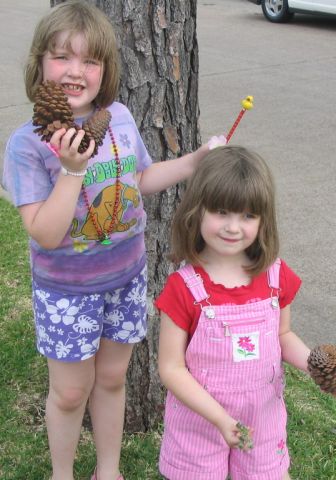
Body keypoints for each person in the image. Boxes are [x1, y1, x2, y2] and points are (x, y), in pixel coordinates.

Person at [1, 2, 212, 480]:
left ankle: (109, 471)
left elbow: (139, 176)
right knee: (71, 392)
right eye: (62, 57)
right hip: (65, 293)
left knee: (112, 379)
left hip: (126, 277)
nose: (75, 71)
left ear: (106, 70)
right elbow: (45, 232)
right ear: (40, 65)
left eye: (90, 60)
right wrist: (72, 171)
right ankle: (63, 473)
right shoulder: (26, 145)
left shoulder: (117, 117)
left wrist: (192, 162)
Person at [156, 145, 312, 480]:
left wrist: (314, 364)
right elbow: (171, 368)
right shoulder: (183, 288)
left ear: (262, 220)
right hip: (199, 419)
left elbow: (283, 335)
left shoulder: (276, 275)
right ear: (197, 211)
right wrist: (220, 418)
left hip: (263, 417)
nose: (233, 227)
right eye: (222, 212)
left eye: (247, 216)